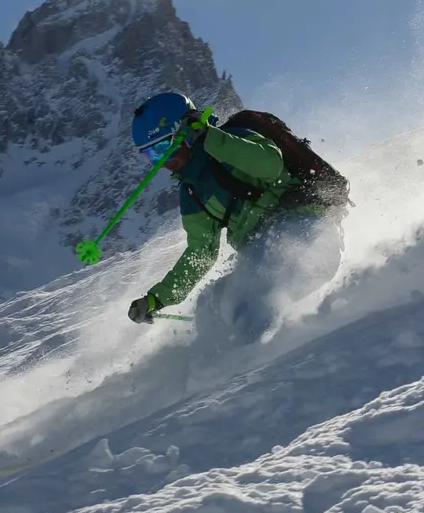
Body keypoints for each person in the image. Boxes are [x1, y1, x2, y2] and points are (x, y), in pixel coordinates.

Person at [126, 92, 345, 343]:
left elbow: (270, 165)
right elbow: (201, 253)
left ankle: (253, 366)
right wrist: (158, 298)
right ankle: (221, 368)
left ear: (184, 130)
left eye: (162, 148)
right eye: (149, 156)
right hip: (265, 254)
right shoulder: (192, 191)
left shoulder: (233, 139)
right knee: (214, 304)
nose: (160, 162)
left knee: (252, 303)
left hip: (305, 232)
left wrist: (211, 138)